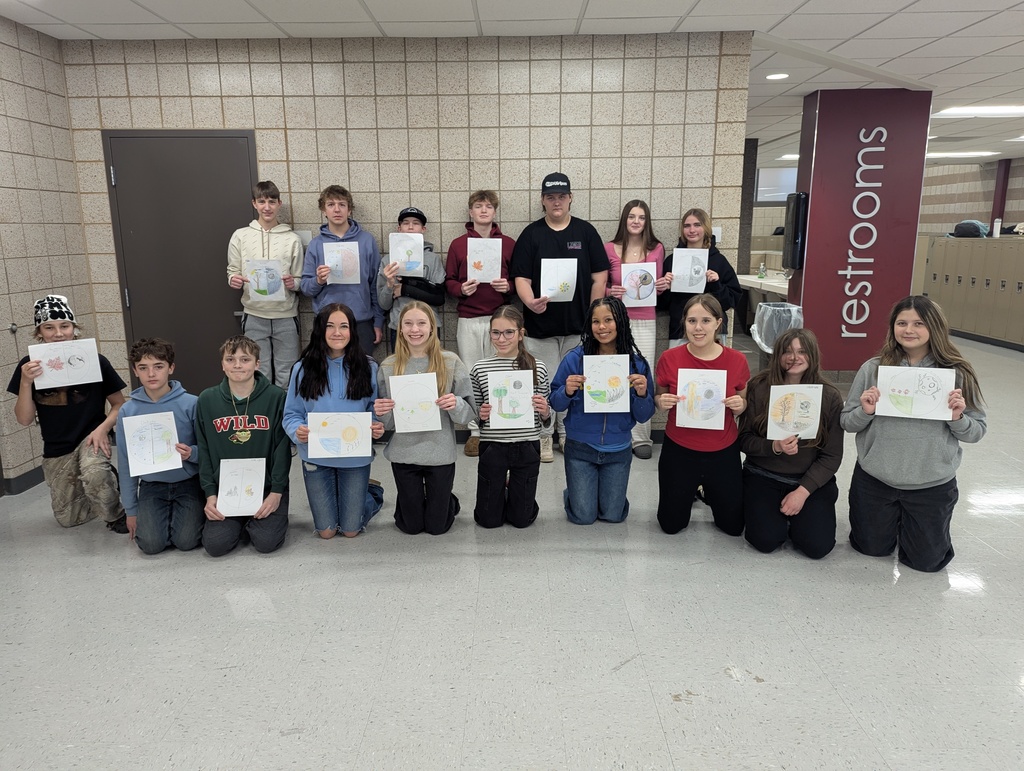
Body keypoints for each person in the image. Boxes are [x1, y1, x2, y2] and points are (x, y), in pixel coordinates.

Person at [841, 295, 986, 572]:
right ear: (892, 327)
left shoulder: (957, 373)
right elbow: (847, 422)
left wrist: (957, 417)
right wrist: (866, 411)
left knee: (927, 562)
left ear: (935, 327)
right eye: (902, 323)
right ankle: (891, 524)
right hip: (876, 478)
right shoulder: (874, 369)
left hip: (930, 483)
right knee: (870, 548)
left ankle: (913, 526)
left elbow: (977, 431)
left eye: (918, 323)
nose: (909, 330)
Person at [8, 295, 128, 533]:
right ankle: (92, 489)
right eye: (49, 327)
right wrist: (25, 382)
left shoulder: (96, 360)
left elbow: (119, 405)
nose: (59, 333)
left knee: (95, 475)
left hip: (91, 437)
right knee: (70, 519)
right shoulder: (28, 365)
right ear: (39, 332)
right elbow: (24, 419)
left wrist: (103, 429)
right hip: (57, 447)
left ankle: (112, 505)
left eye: (65, 325)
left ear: (74, 328)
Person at [511, 172, 609, 462]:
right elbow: (521, 277)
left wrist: (594, 317)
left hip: (578, 326)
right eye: (551, 197)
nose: (557, 202)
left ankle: (566, 435)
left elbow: (599, 277)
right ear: (543, 200)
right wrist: (530, 302)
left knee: (573, 381)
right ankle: (543, 435)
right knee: (542, 384)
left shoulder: (586, 232)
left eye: (562, 196)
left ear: (570, 198)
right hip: (541, 327)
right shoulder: (532, 234)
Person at [283, 303, 385, 540]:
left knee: (350, 530)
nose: (337, 332)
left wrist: (376, 424)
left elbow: (374, 408)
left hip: (354, 455)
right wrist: (296, 431)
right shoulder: (302, 368)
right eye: (330, 326)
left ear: (352, 331)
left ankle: (372, 493)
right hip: (315, 455)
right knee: (327, 532)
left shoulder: (368, 367)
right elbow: (291, 414)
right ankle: (351, 495)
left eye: (343, 326)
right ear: (320, 330)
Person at [738, 329, 843, 559]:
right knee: (764, 541)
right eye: (787, 351)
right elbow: (743, 439)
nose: (794, 358)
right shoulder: (759, 386)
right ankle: (778, 517)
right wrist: (773, 446)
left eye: (802, 351)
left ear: (813, 355)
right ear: (777, 356)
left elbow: (832, 456)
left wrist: (802, 493)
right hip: (763, 475)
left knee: (817, 548)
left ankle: (798, 518)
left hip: (808, 482)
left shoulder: (830, 397)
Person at [549, 297, 655, 525]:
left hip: (618, 451)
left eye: (609, 320)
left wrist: (642, 394)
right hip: (580, 448)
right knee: (583, 517)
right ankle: (575, 494)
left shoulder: (637, 364)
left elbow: (644, 415)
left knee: (613, 516)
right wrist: (566, 391)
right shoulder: (575, 359)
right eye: (596, 322)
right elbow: (556, 404)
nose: (602, 327)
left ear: (621, 322)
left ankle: (603, 494)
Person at [374, 301, 476, 535]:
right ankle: (415, 502)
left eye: (421, 323)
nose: (414, 329)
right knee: (411, 527)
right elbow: (386, 424)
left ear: (432, 327)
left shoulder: (450, 362)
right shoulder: (388, 366)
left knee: (437, 527)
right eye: (408, 323)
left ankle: (446, 500)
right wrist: (382, 411)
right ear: (400, 328)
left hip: (439, 451)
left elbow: (470, 412)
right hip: (404, 452)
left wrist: (455, 403)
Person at [655, 294, 749, 536]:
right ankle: (692, 489)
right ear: (684, 323)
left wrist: (740, 405)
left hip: (722, 450)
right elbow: (659, 396)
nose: (698, 328)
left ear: (718, 323)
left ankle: (706, 490)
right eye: (692, 321)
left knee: (733, 527)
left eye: (706, 321)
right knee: (671, 526)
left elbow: (744, 400)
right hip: (680, 449)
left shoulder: (736, 360)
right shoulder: (669, 358)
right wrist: (660, 401)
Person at [195, 335, 291, 556]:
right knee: (215, 546)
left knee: (266, 543)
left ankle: (256, 522)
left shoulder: (276, 397)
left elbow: (282, 449)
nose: (237, 365)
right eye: (230, 359)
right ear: (222, 364)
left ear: (257, 364)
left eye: (245, 359)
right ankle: (240, 523)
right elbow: (204, 449)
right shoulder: (207, 400)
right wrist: (210, 495)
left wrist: (276, 492)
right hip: (226, 490)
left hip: (267, 488)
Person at [115, 338, 205, 554]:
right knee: (150, 545)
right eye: (143, 368)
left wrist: (191, 453)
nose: (151, 374)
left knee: (186, 541)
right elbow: (126, 463)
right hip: (151, 486)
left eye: (158, 367)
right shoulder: (128, 411)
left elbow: (209, 450)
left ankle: (181, 518)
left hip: (188, 482)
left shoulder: (192, 404)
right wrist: (131, 511)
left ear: (171, 368)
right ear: (135, 371)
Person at [445, 190, 516, 457]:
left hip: (499, 319)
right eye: (478, 206)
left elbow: (519, 280)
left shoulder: (508, 244)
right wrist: (461, 289)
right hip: (469, 318)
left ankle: (499, 426)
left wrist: (506, 286)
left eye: (488, 206)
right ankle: (476, 431)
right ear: (471, 212)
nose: (484, 210)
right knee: (472, 375)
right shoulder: (458, 244)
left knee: (500, 373)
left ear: (495, 212)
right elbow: (448, 281)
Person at [469, 306, 551, 528]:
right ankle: (502, 491)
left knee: (521, 520)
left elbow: (546, 418)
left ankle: (515, 493)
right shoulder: (479, 368)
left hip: (526, 446)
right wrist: (480, 415)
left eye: (508, 332)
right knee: (488, 520)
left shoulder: (538, 367)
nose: (501, 338)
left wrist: (545, 410)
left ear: (521, 334)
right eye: (495, 332)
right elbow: (476, 414)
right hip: (493, 445)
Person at [605, 199, 669, 459]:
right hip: (616, 319)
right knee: (615, 370)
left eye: (641, 217)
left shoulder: (656, 249)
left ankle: (641, 435)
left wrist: (663, 285)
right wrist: (612, 291)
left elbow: (657, 286)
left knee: (643, 371)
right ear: (624, 219)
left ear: (647, 222)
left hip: (645, 318)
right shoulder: (609, 248)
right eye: (632, 216)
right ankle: (617, 430)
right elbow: (602, 286)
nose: (636, 221)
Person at [226, 180, 304, 389]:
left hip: (286, 316)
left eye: (271, 201)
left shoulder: (292, 239)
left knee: (287, 373)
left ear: (279, 204)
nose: (267, 207)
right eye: (262, 201)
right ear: (254, 204)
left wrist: (292, 283)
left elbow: (299, 280)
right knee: (258, 373)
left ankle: (284, 420)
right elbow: (232, 271)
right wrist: (233, 279)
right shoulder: (240, 236)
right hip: (254, 315)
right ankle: (264, 420)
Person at [300, 185, 384, 355]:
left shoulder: (366, 240)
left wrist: (378, 321)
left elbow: (376, 283)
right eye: (331, 205)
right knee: (326, 375)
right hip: (327, 322)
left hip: (361, 321)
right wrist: (319, 281)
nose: (337, 209)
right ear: (324, 210)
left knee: (361, 375)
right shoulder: (316, 245)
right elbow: (305, 288)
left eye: (342, 204)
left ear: (350, 210)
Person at [662, 208, 742, 346]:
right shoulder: (672, 261)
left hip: (713, 332)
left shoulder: (719, 261)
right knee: (680, 367)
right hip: (680, 330)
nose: (692, 230)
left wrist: (716, 285)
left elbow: (730, 302)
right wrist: (666, 288)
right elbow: (662, 305)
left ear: (706, 228)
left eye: (697, 225)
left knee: (712, 367)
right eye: (687, 226)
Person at [377, 206, 446, 351]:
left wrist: (405, 289)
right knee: (401, 371)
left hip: (429, 325)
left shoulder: (432, 259)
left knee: (431, 370)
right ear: (399, 228)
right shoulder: (388, 261)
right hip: (399, 325)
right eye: (405, 223)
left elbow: (438, 297)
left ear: (423, 229)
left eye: (416, 223)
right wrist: (390, 285)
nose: (410, 227)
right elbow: (383, 304)